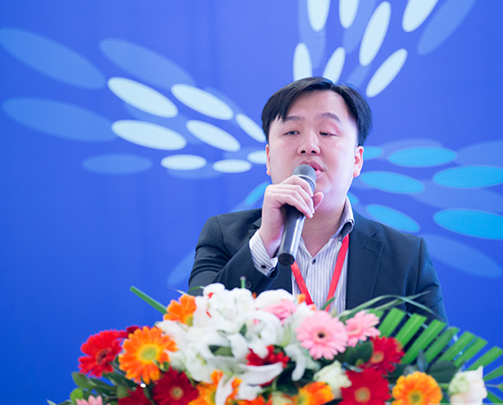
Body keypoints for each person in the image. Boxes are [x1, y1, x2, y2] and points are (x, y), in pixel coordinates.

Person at [189, 77, 447, 322]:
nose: (309, 146)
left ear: (356, 160)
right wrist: (266, 243)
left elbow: (436, 354)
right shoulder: (223, 236)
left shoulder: (406, 257)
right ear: (268, 158)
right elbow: (196, 326)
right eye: (291, 132)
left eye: (327, 132)